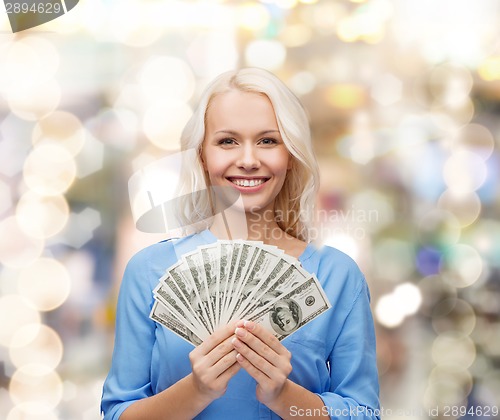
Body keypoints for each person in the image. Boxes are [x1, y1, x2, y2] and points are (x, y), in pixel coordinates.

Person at [101, 68, 380, 419]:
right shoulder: (149, 272)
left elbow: (364, 413)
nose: (248, 160)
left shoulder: (338, 276)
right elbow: (117, 413)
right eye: (227, 141)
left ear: (291, 155)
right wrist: (196, 390)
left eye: (268, 140)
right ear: (202, 155)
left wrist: (283, 395)